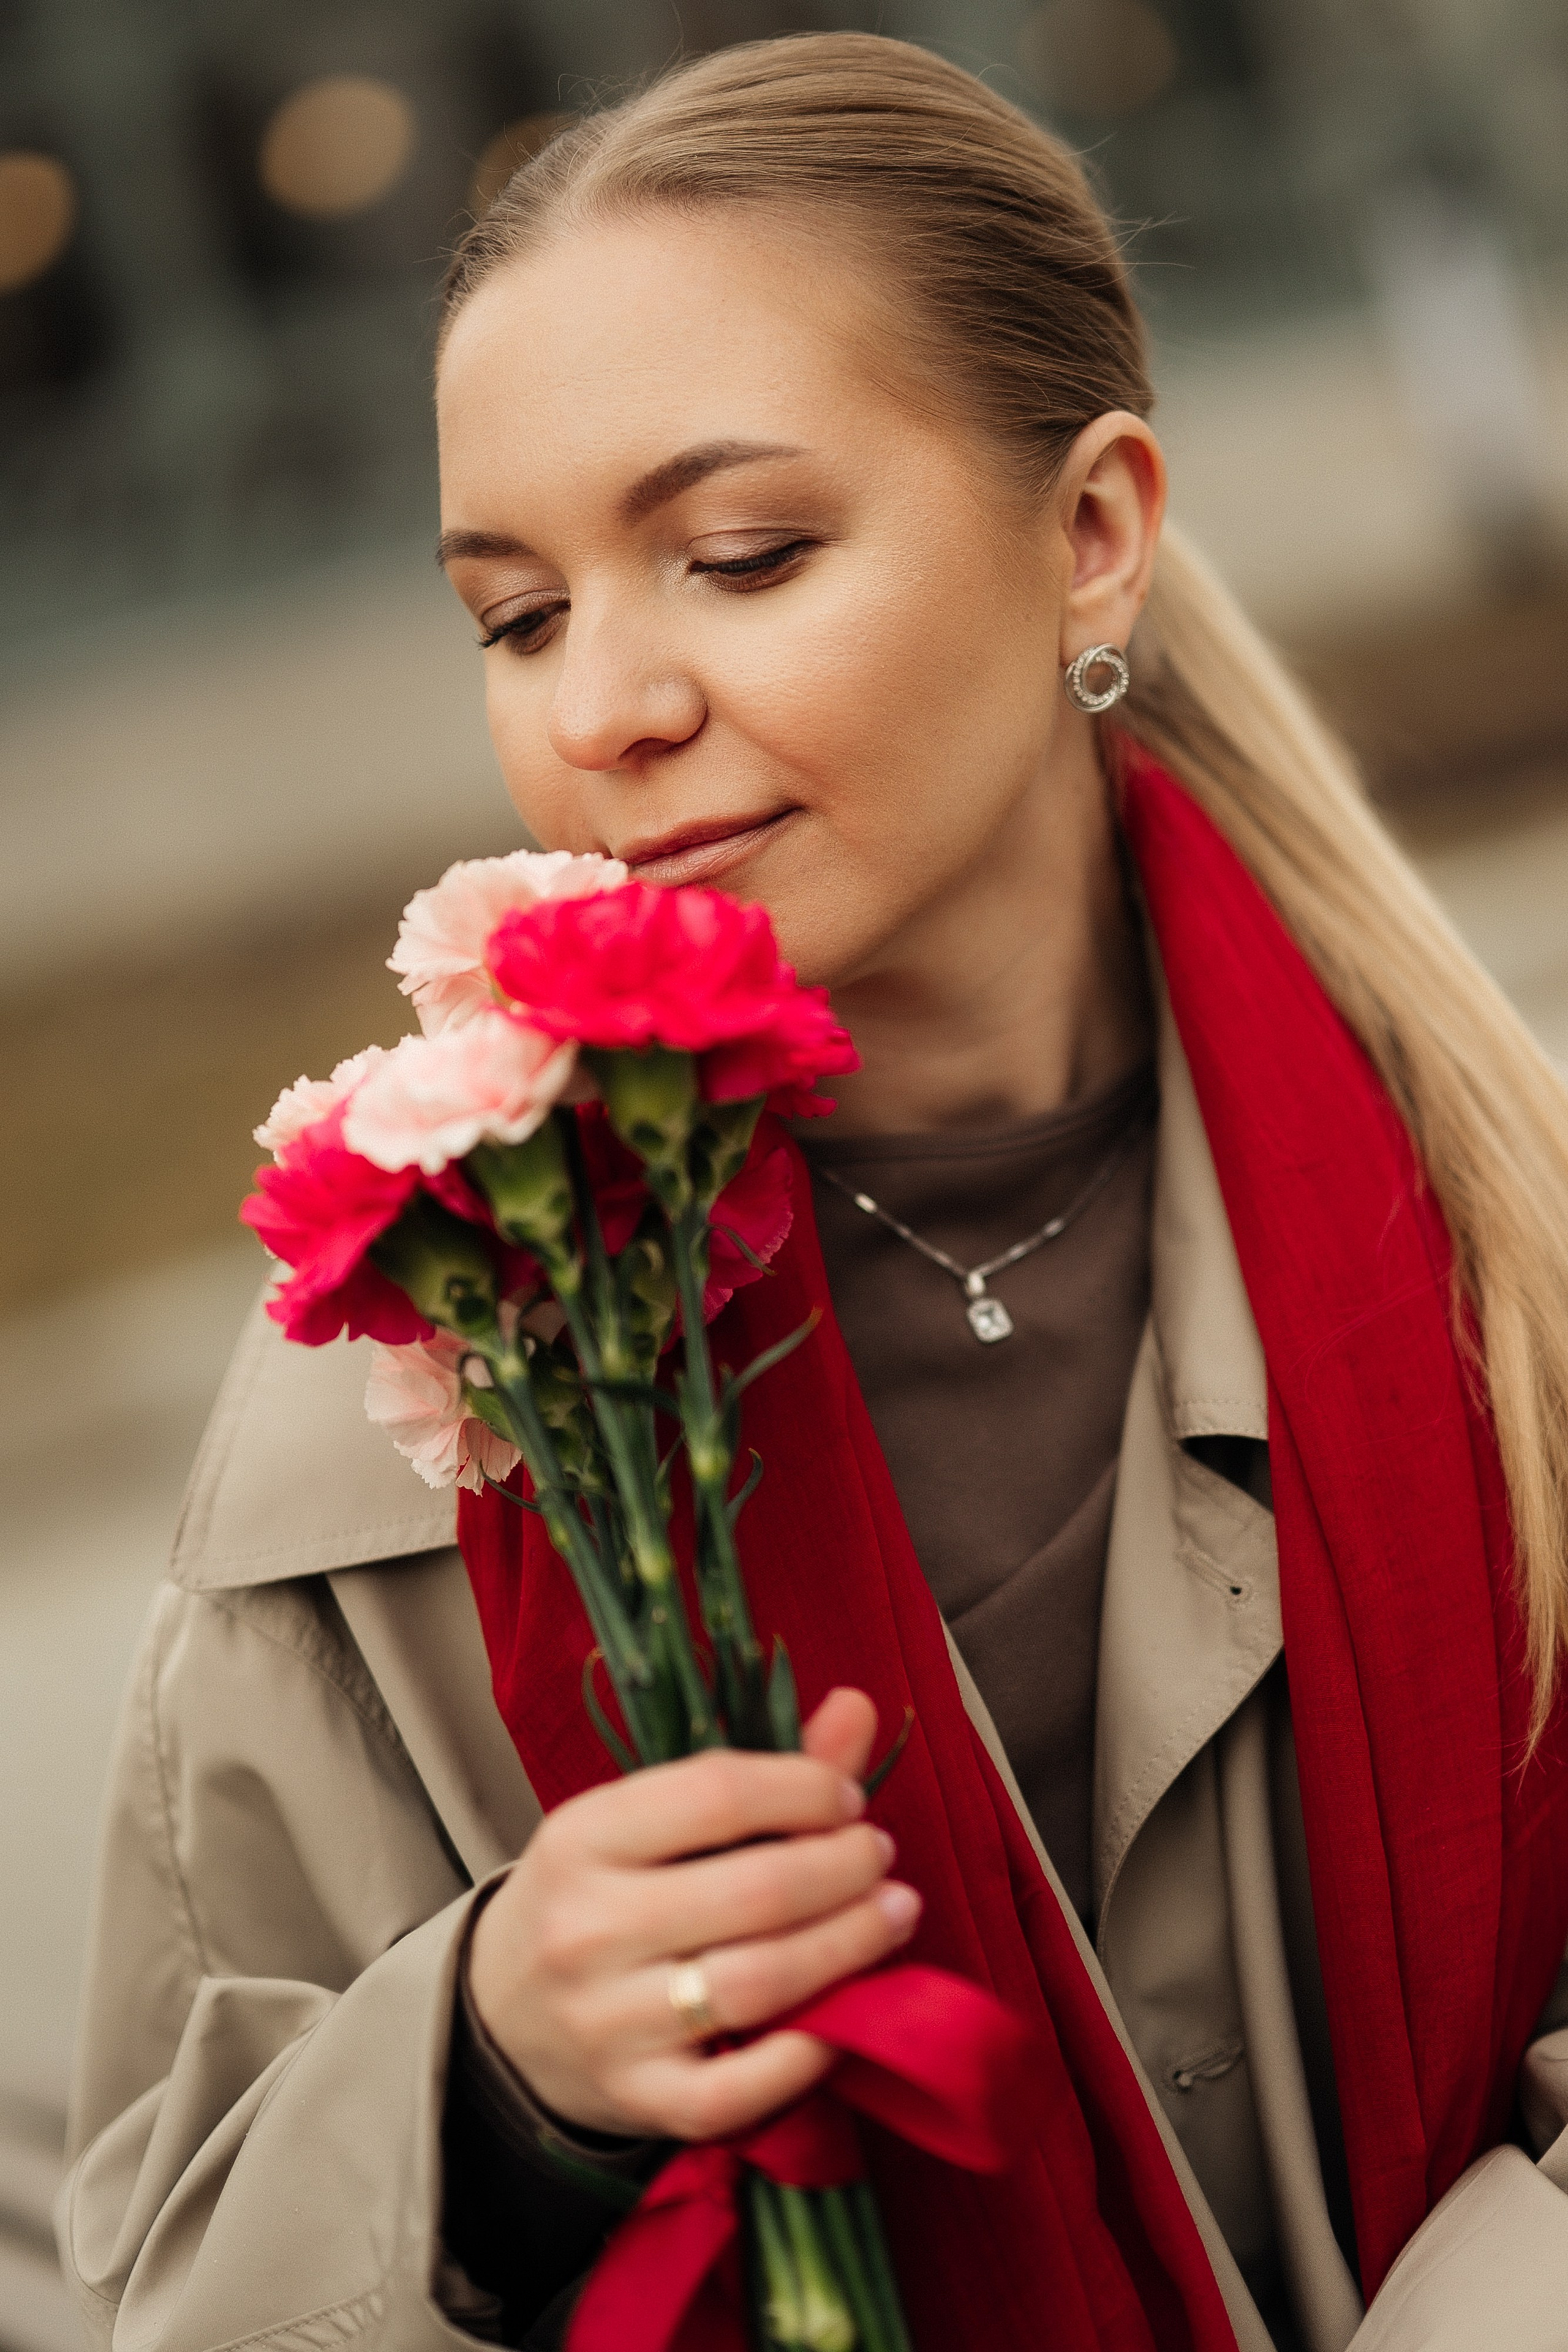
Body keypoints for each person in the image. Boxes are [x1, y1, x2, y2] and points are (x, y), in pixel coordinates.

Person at [58, 34, 1568, 2352]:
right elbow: (177, 2274)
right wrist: (491, 2081)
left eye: (741, 556)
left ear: (1092, 531)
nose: (603, 708)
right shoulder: (396, 1405)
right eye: (517, 615)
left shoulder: (1513, 1233)